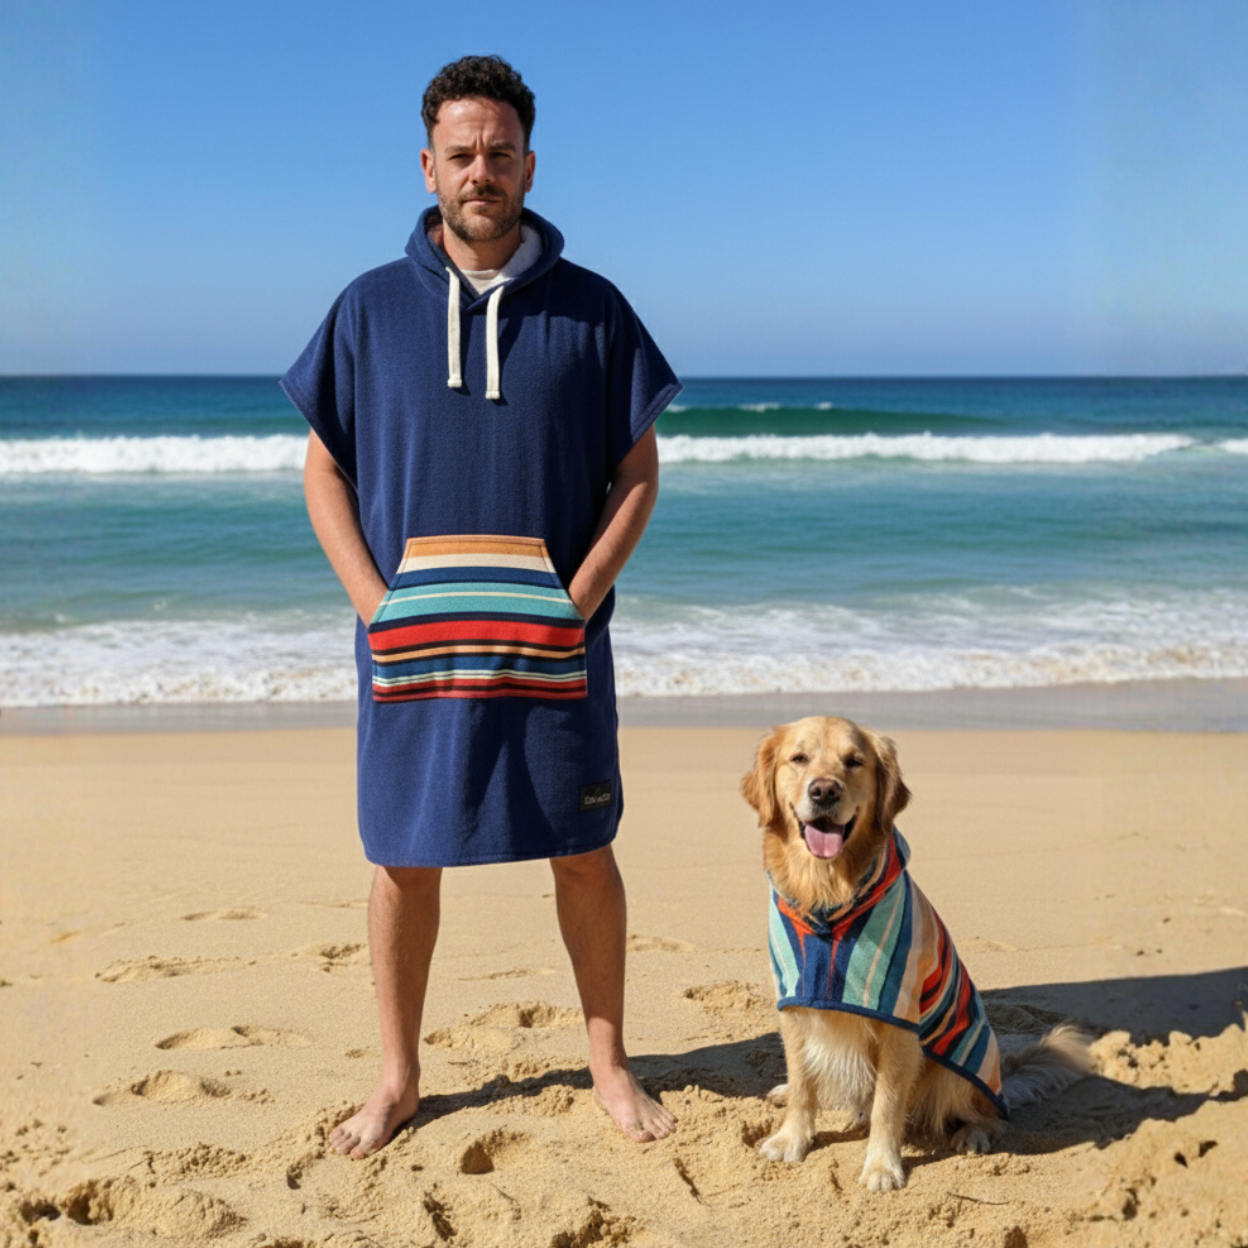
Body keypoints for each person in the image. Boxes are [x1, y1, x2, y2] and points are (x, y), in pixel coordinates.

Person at [280, 54, 682, 1159]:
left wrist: (580, 597)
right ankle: (400, 1080)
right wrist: (374, 605)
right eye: (461, 154)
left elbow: (639, 473)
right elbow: (324, 471)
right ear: (428, 164)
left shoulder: (595, 311)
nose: (481, 171)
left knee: (583, 846)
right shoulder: (367, 309)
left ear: (529, 163)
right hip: (412, 649)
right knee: (402, 854)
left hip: (554, 646)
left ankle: (609, 1066)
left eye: (501, 153)